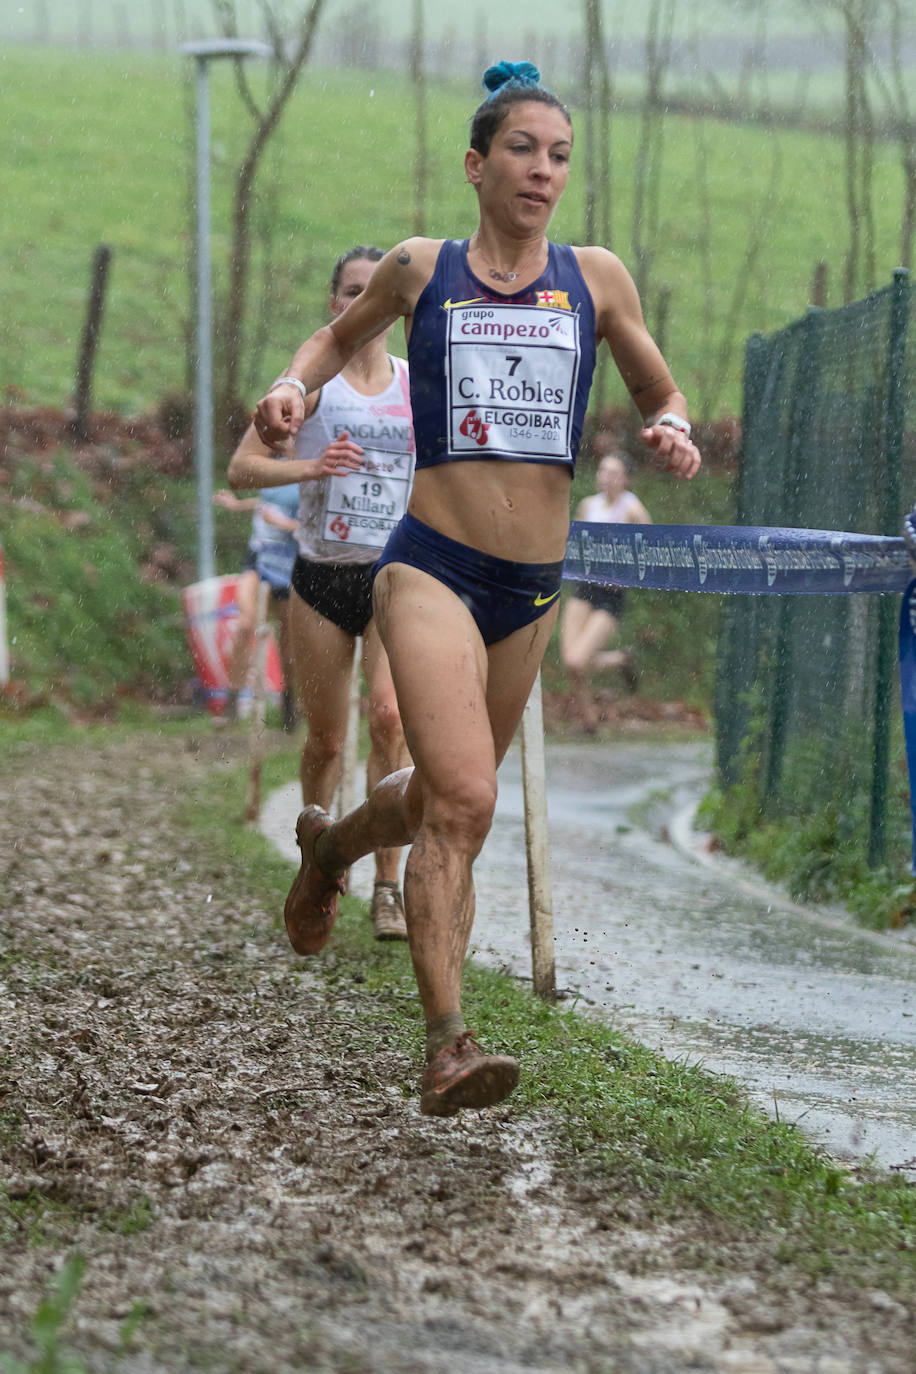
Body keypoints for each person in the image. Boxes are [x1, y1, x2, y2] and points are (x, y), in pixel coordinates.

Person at [253, 61, 701, 1116]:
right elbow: (333, 339)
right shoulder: (421, 267)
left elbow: (653, 376)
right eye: (520, 150)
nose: (541, 171)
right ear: (476, 163)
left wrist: (670, 422)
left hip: (530, 587)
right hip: (430, 565)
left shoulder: (594, 278)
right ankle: (449, 1042)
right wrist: (290, 385)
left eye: (557, 156)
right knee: (463, 801)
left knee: (439, 800)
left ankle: (326, 858)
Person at [228, 246, 415, 941]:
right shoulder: (307, 389)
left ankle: (388, 886)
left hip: (394, 578)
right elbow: (243, 468)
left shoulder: (414, 387)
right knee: (328, 740)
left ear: (393, 308)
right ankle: (319, 864)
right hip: (320, 577)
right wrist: (311, 465)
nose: (364, 302)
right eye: (350, 291)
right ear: (334, 304)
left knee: (391, 719)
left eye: (377, 292)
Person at [560, 441, 651, 731]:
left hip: (611, 594)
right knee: (570, 661)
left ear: (626, 479)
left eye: (614, 473)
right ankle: (588, 720)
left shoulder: (633, 509)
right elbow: (573, 544)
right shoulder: (588, 505)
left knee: (577, 660)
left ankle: (621, 659)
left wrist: (624, 564)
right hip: (583, 588)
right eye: (603, 471)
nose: (606, 477)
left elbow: (650, 548)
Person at [212, 485, 300, 729]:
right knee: (244, 625)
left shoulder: (313, 464)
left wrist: (285, 524)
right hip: (258, 559)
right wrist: (238, 504)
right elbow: (265, 500)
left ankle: (289, 705)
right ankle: (231, 703)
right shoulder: (271, 464)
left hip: (289, 564)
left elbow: (315, 527)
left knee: (288, 644)